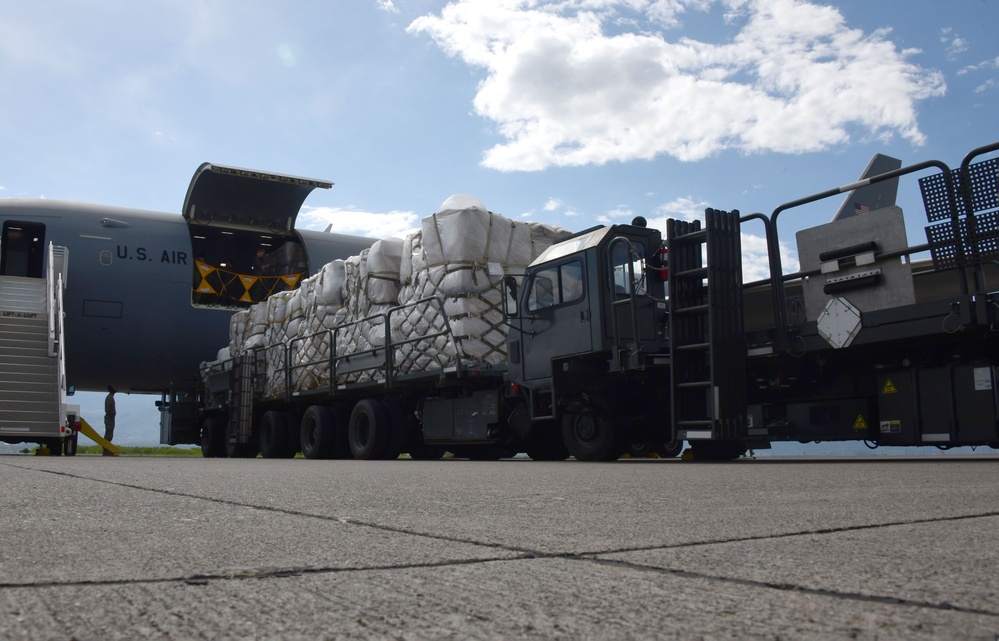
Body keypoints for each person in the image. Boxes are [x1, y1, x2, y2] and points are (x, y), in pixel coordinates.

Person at [103, 385, 117, 455]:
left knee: (110, 433)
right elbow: (108, 408)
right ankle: (106, 450)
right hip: (109, 417)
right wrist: (111, 414)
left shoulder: (110, 397)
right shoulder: (110, 397)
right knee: (108, 434)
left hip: (111, 417)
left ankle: (107, 449)